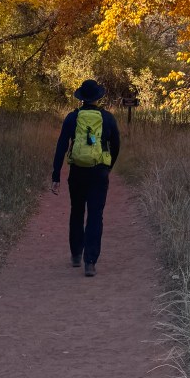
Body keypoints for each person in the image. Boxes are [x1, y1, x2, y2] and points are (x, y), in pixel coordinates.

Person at [51, 79, 120, 277]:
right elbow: (116, 145)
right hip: (99, 172)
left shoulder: (72, 118)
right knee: (95, 215)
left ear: (81, 98)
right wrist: (108, 167)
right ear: (98, 98)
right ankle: (90, 262)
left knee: (77, 211)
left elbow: (61, 146)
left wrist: (56, 174)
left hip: (77, 172)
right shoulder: (107, 118)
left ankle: (75, 255)